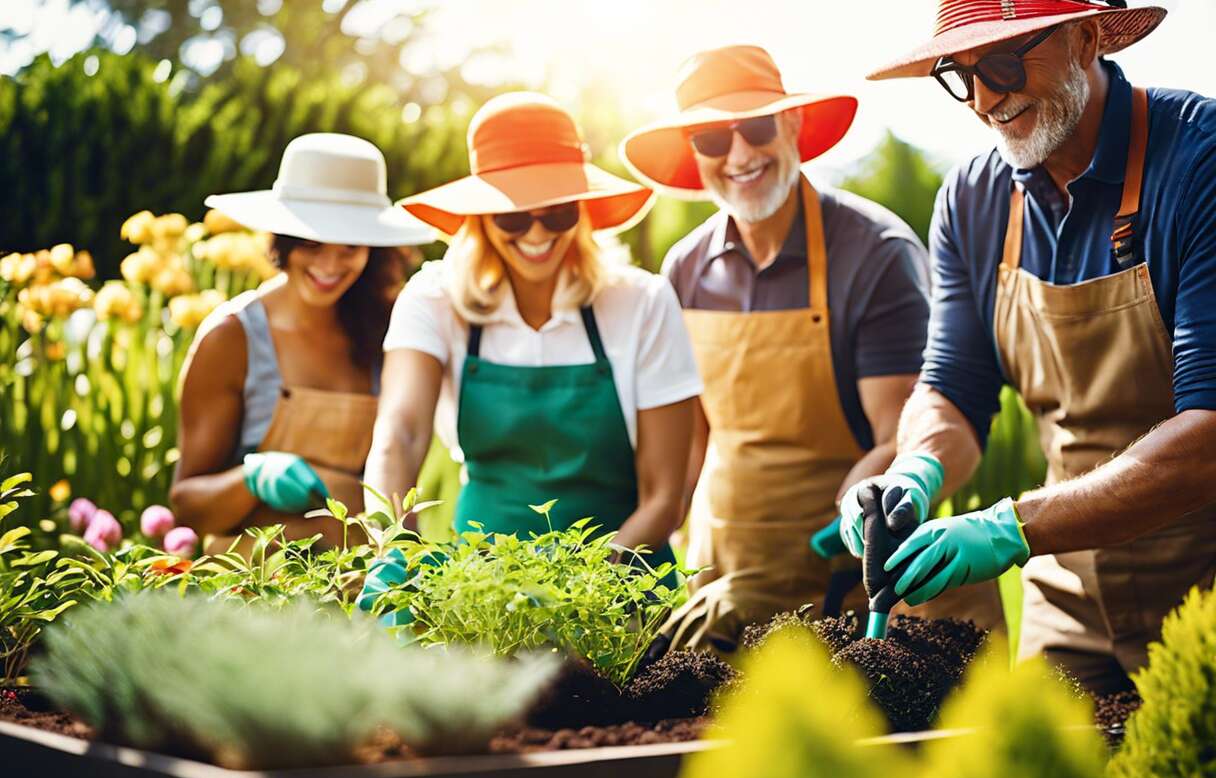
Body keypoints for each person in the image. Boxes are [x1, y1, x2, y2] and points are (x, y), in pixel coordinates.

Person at [846, 0, 1216, 693]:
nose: (984, 99)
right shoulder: (972, 200)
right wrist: (915, 472)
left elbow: (1207, 440)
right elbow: (952, 388)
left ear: (1083, 40)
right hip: (1066, 592)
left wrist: (1008, 529)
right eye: (959, 75)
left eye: (1004, 63)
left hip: (1204, 591)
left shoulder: (1201, 161)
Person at [620, 45, 1004, 656]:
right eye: (714, 140)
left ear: (792, 122)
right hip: (729, 576)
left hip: (851, 579)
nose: (740, 155)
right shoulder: (686, 268)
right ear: (695, 155)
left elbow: (900, 438)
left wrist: (829, 537)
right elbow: (694, 439)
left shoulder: (874, 254)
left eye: (755, 127)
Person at [359, 93, 702, 604]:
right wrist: (393, 547)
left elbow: (664, 498)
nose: (538, 234)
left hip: (623, 588)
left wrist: (579, 594)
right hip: (483, 589)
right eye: (513, 219)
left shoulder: (641, 303)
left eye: (559, 214)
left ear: (583, 212)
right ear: (479, 217)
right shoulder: (433, 300)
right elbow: (400, 436)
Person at [171, 133, 435, 554]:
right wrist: (254, 479)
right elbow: (187, 505)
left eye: (350, 246)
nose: (330, 265)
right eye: (312, 244)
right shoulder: (232, 337)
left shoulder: (390, 327)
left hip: (365, 577)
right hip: (257, 586)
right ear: (283, 238)